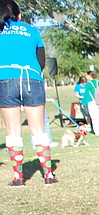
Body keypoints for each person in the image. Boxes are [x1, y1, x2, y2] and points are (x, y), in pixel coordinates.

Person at [0, 0, 56, 186]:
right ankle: (48, 175)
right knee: (38, 130)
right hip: (32, 79)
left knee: (13, 131)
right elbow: (41, 61)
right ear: (19, 14)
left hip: (5, 78)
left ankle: (18, 179)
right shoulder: (32, 31)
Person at [83, 70, 99, 135]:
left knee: (94, 117)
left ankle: (98, 131)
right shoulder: (97, 82)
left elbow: (86, 94)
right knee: (98, 115)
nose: (85, 77)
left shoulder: (88, 84)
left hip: (92, 101)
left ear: (89, 75)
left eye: (86, 75)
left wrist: (84, 103)